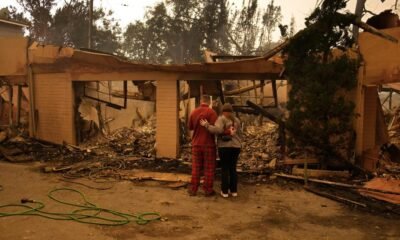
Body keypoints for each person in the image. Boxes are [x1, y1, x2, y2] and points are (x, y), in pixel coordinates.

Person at [200, 103, 242, 198]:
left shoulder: (221, 118)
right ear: (232, 111)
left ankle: (225, 192)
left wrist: (206, 125)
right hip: (236, 147)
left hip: (224, 147)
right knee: (233, 169)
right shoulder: (237, 120)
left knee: (225, 169)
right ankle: (234, 191)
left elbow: (217, 130)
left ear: (223, 111)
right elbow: (240, 134)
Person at [188, 95, 218, 196]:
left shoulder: (193, 112)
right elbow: (215, 130)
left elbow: (191, 129)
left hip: (196, 144)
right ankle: (208, 190)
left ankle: (193, 189)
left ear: (200, 101)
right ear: (209, 102)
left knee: (196, 168)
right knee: (208, 168)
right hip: (208, 145)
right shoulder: (212, 113)